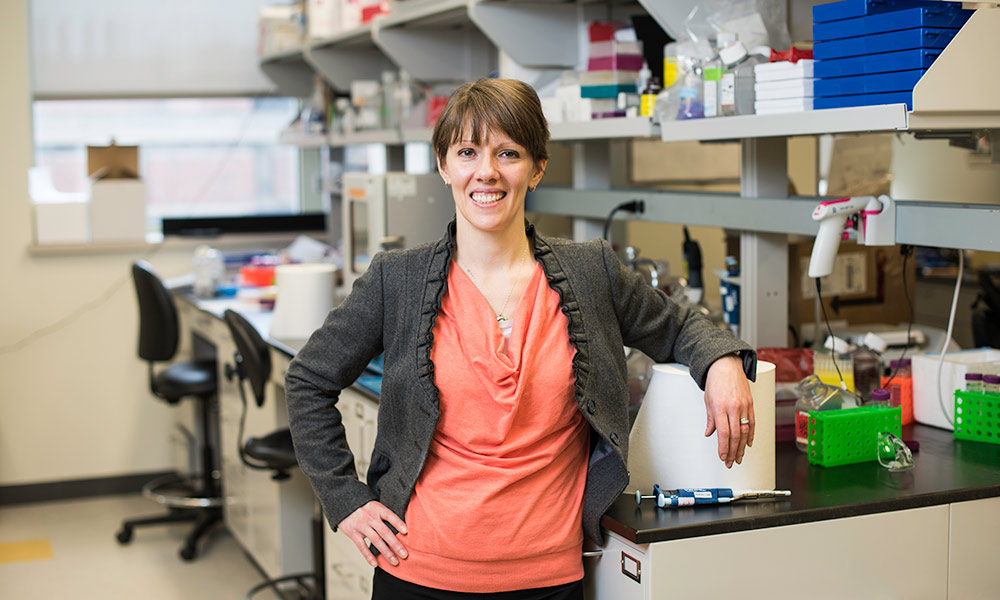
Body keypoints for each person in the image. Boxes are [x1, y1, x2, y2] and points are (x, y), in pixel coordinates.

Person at [285, 77, 757, 599]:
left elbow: (681, 326)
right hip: (417, 573)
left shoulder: (589, 271)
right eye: (467, 151)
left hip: (548, 581)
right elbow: (308, 380)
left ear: (537, 168)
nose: (486, 171)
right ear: (444, 166)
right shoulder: (397, 278)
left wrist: (723, 364)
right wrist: (344, 498)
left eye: (507, 152)